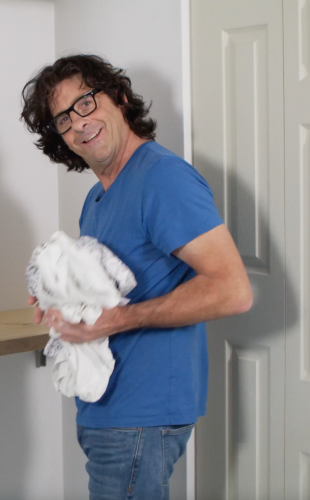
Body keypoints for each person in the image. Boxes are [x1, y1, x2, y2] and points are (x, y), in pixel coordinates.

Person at [20, 54, 253, 500]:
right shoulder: (96, 198)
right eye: (63, 119)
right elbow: (105, 284)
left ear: (120, 98)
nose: (78, 123)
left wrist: (119, 320)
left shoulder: (163, 178)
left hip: (141, 412)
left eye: (86, 103)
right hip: (107, 407)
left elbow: (232, 289)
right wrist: (60, 293)